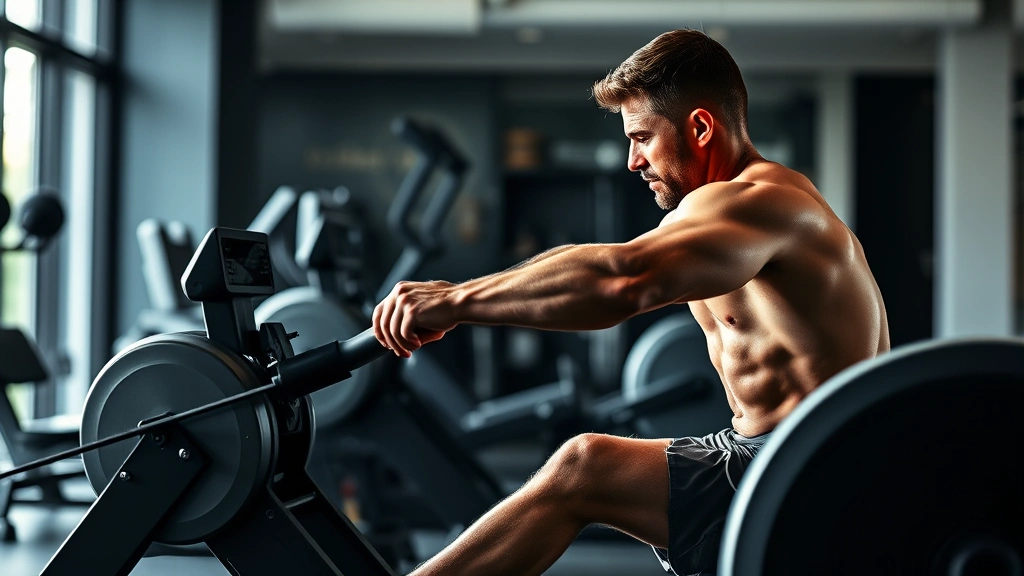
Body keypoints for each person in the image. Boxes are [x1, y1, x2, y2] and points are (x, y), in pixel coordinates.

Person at [372, 29, 889, 576]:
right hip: (776, 452)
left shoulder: (767, 204)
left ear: (700, 127)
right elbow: (614, 264)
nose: (632, 161)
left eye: (642, 137)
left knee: (584, 468)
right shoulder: (731, 211)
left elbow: (623, 280)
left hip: (815, 470)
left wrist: (455, 300)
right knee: (586, 466)